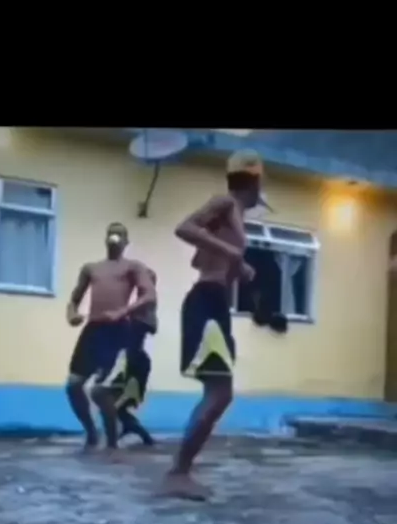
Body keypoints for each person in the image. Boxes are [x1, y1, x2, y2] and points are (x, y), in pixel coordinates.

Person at [161, 150, 267, 500]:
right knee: (220, 393)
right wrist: (231, 253)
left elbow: (200, 259)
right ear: (255, 182)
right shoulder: (224, 203)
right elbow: (184, 228)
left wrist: (239, 268)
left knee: (218, 393)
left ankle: (180, 471)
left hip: (215, 302)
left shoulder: (234, 217)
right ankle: (178, 473)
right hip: (205, 300)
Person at [66, 223, 156, 454]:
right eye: (111, 233)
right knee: (73, 385)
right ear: (105, 239)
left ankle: (112, 443)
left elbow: (149, 295)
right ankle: (91, 432)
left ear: (126, 241)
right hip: (93, 330)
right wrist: (72, 314)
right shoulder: (91, 268)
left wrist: (122, 311)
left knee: (100, 391)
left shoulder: (133, 267)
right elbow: (74, 299)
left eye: (120, 234)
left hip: (118, 331)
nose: (115, 238)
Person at [115, 268, 158, 447]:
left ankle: (140, 433)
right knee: (116, 404)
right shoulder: (142, 306)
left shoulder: (146, 305)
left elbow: (151, 326)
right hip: (133, 361)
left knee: (117, 404)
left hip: (136, 363)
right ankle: (131, 429)